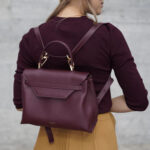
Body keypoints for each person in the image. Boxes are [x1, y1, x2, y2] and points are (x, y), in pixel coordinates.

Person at [13, 0, 149, 150]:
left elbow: (21, 104)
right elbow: (138, 101)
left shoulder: (33, 36)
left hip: (50, 139)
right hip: (95, 136)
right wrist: (93, 104)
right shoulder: (108, 35)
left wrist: (57, 105)